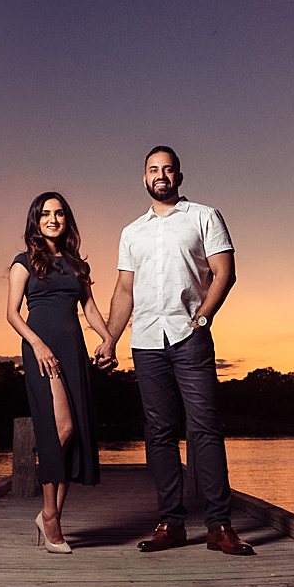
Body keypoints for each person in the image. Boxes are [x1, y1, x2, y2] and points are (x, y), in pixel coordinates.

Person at [104, 146, 254, 556]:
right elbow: (123, 290)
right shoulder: (131, 232)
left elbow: (225, 272)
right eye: (153, 170)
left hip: (190, 337)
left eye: (168, 169)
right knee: (159, 434)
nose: (161, 175)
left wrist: (203, 317)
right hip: (147, 341)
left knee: (204, 429)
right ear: (144, 178)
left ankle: (219, 526)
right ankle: (170, 523)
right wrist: (110, 338)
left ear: (179, 177)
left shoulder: (205, 216)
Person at [5, 191, 114, 553]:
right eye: (46, 214)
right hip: (41, 352)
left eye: (60, 213)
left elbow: (91, 311)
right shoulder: (23, 263)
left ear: (67, 219)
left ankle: (51, 513)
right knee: (61, 429)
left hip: (73, 352)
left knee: (76, 433)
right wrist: (37, 345)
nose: (53, 219)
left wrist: (109, 339)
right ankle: (50, 518)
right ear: (35, 220)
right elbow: (12, 314)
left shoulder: (76, 266)